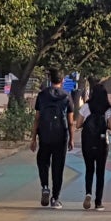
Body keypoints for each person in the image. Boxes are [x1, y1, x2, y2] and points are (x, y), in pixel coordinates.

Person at [30, 68, 75, 209]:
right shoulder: (66, 96)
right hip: (60, 135)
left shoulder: (42, 95)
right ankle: (55, 198)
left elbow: (37, 118)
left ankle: (45, 186)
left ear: (50, 80)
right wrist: (71, 139)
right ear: (62, 81)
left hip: (44, 134)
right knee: (58, 166)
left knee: (43, 162)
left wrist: (33, 138)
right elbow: (71, 121)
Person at [75, 83, 111, 211]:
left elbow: (78, 124)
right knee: (101, 172)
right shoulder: (108, 109)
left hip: (88, 143)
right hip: (102, 143)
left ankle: (88, 194)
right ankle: (98, 202)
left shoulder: (86, 106)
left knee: (89, 169)